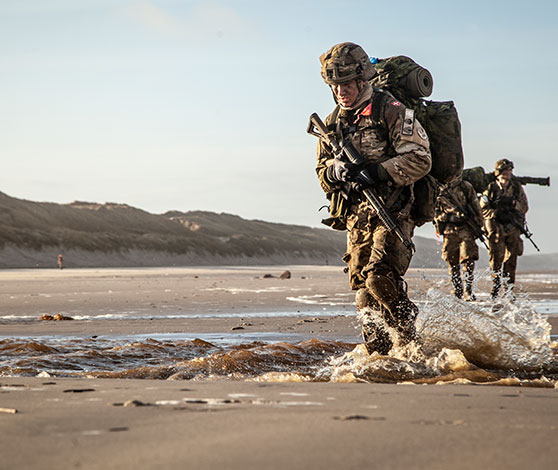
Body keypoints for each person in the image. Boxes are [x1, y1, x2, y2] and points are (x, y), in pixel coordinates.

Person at [315, 42, 431, 354]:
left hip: (394, 211)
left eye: (346, 85)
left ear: (362, 81)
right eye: (335, 86)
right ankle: (378, 355)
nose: (341, 92)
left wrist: (378, 173)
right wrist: (335, 171)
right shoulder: (332, 123)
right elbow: (321, 172)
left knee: (380, 278)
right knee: (363, 295)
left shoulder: (390, 111)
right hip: (357, 217)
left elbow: (421, 158)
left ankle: (409, 336)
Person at [479, 159, 529, 298]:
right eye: (505, 170)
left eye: (510, 171)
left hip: (512, 227)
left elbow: (524, 207)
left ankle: (508, 289)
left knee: (511, 260)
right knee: (496, 258)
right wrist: (496, 213)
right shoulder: (490, 188)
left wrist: (513, 204)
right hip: (496, 228)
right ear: (498, 172)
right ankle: (495, 287)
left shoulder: (516, 188)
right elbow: (482, 209)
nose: (508, 173)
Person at [434, 176, 483, 301]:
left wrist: (478, 224)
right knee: (451, 261)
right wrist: (448, 217)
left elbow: (476, 206)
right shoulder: (439, 189)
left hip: (466, 228)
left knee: (468, 259)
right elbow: (434, 212)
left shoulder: (465, 187)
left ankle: (468, 290)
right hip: (449, 230)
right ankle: (457, 289)